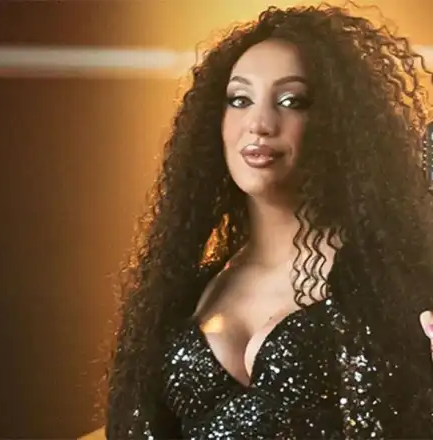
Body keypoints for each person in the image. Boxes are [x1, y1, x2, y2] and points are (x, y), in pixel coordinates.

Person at [106, 4, 433, 439]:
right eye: (239, 100)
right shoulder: (182, 291)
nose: (259, 124)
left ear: (338, 123)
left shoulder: (394, 276)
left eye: (291, 101)